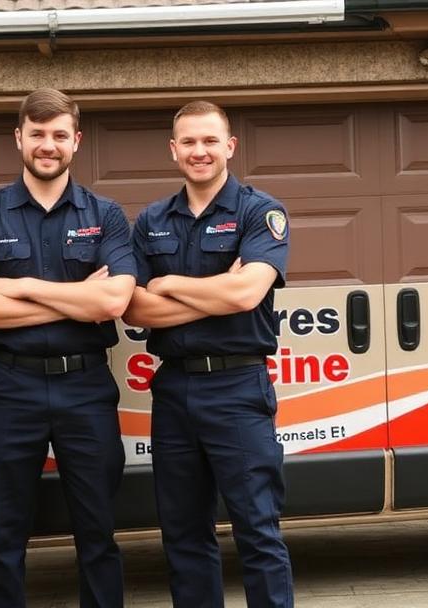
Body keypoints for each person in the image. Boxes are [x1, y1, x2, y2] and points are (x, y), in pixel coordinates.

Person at [0, 88, 136, 608]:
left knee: (97, 531)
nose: (47, 145)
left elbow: (114, 300)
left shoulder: (106, 215)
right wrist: (78, 301)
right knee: (6, 536)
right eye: (37, 134)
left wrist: (20, 287)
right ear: (18, 138)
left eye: (58, 135)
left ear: (76, 141)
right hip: (11, 387)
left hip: (86, 387)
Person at [123, 100, 293, 608]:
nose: (200, 151)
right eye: (189, 142)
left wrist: (169, 283)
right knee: (183, 533)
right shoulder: (151, 220)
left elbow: (246, 294)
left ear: (230, 147)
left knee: (257, 529)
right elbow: (135, 308)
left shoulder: (260, 212)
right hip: (174, 389)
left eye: (210, 141)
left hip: (238, 388)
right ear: (173, 150)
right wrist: (219, 289)